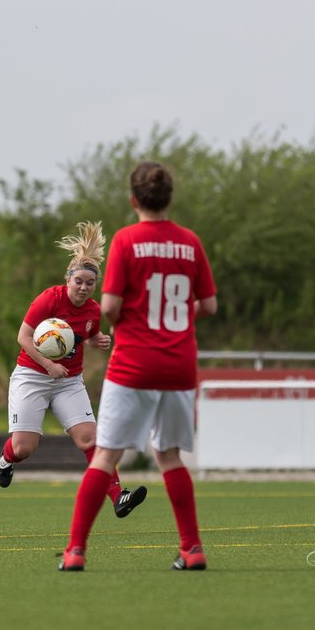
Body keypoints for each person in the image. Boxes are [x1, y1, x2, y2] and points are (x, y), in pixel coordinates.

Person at [59, 161, 217, 572]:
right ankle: (192, 548)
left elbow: (109, 306)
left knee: (105, 456)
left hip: (134, 364)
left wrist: (134, 318)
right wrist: (177, 317)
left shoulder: (128, 241)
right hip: (179, 366)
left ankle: (76, 551)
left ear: (133, 200)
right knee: (170, 456)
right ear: (170, 199)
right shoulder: (190, 242)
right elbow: (210, 305)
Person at [0, 221, 147, 519]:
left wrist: (96, 339)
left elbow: (82, 336)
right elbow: (23, 337)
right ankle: (5, 461)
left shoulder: (92, 310)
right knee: (24, 447)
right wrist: (49, 365)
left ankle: (119, 497)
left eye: (90, 283)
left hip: (68, 382)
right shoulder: (49, 299)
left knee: (90, 439)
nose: (83, 287)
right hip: (32, 376)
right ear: (68, 279)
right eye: (79, 281)